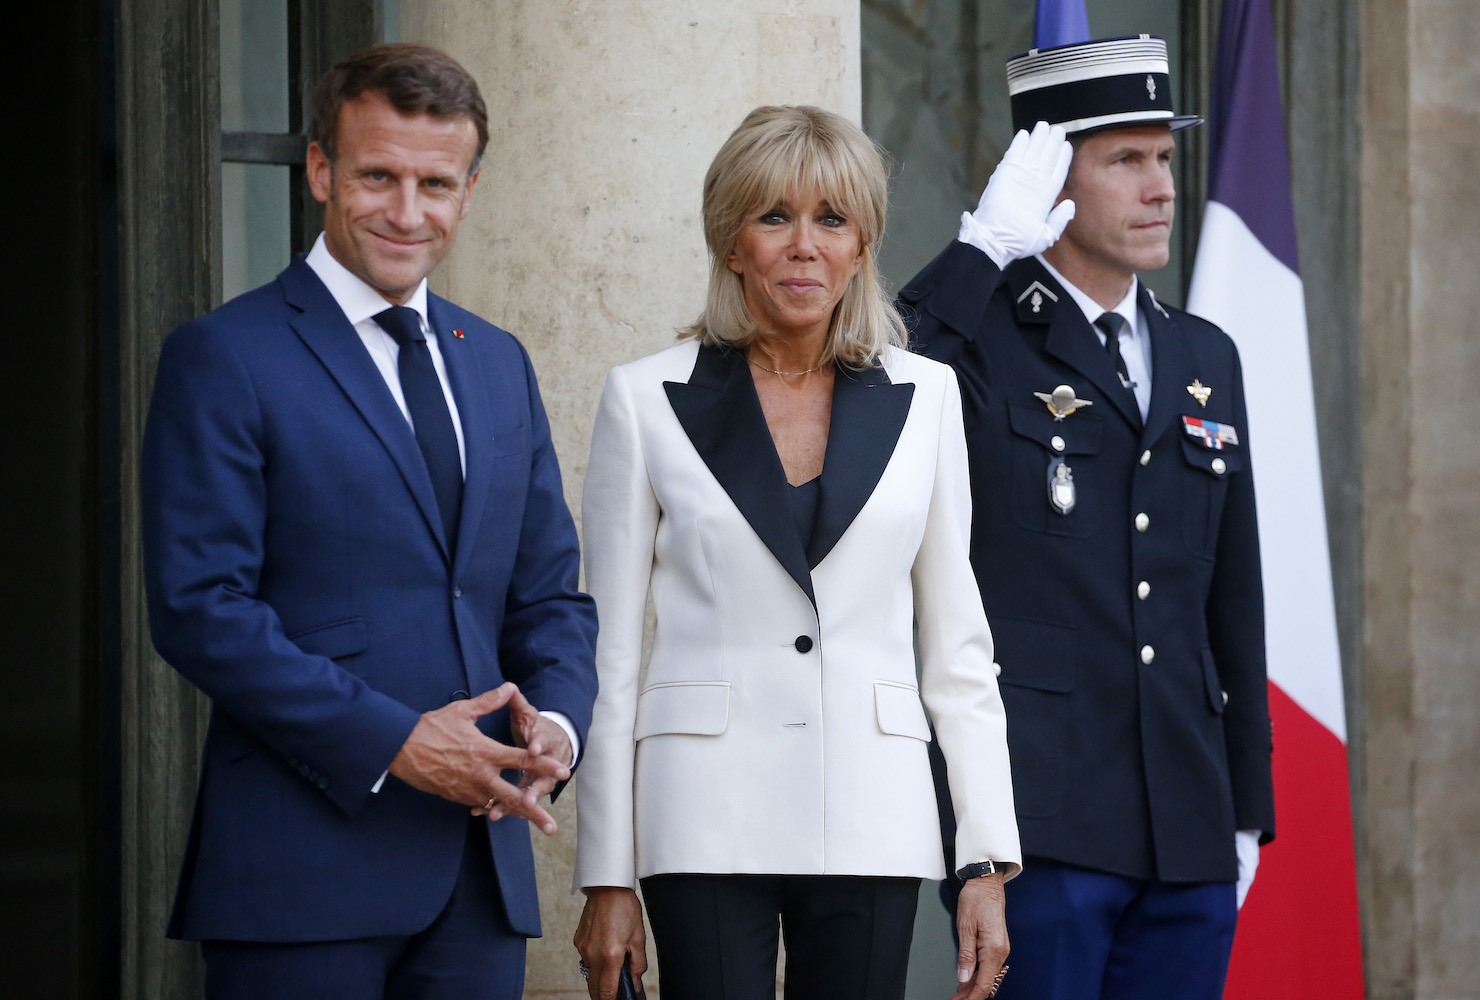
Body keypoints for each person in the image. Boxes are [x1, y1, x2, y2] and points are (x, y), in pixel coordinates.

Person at [570, 105, 1071, 1000]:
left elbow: (958, 650)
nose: (805, 246)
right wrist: (605, 874)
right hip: (699, 817)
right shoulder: (644, 399)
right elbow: (605, 658)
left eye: (832, 219)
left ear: (862, 243)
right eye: (775, 217)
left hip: (875, 814)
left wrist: (986, 860)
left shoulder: (928, 397)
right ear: (732, 243)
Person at [140, 43, 598, 999]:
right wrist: (395, 740)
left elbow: (547, 593)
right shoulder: (223, 355)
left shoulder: (498, 361)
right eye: (378, 176)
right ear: (320, 170)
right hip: (299, 877)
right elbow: (200, 608)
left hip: (478, 884)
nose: (407, 212)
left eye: (436, 184)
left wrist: (556, 725)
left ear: (469, 191)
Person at [901, 35, 1276, 1000]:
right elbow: (871, 397)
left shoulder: (1206, 354)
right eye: (1126, 159)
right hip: (1041, 818)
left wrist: (1247, 808)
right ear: (1050, 179)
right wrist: (978, 252)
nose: (1162, 188)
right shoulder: (979, 339)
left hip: (1187, 819)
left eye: (1166, 157)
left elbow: (1233, 597)